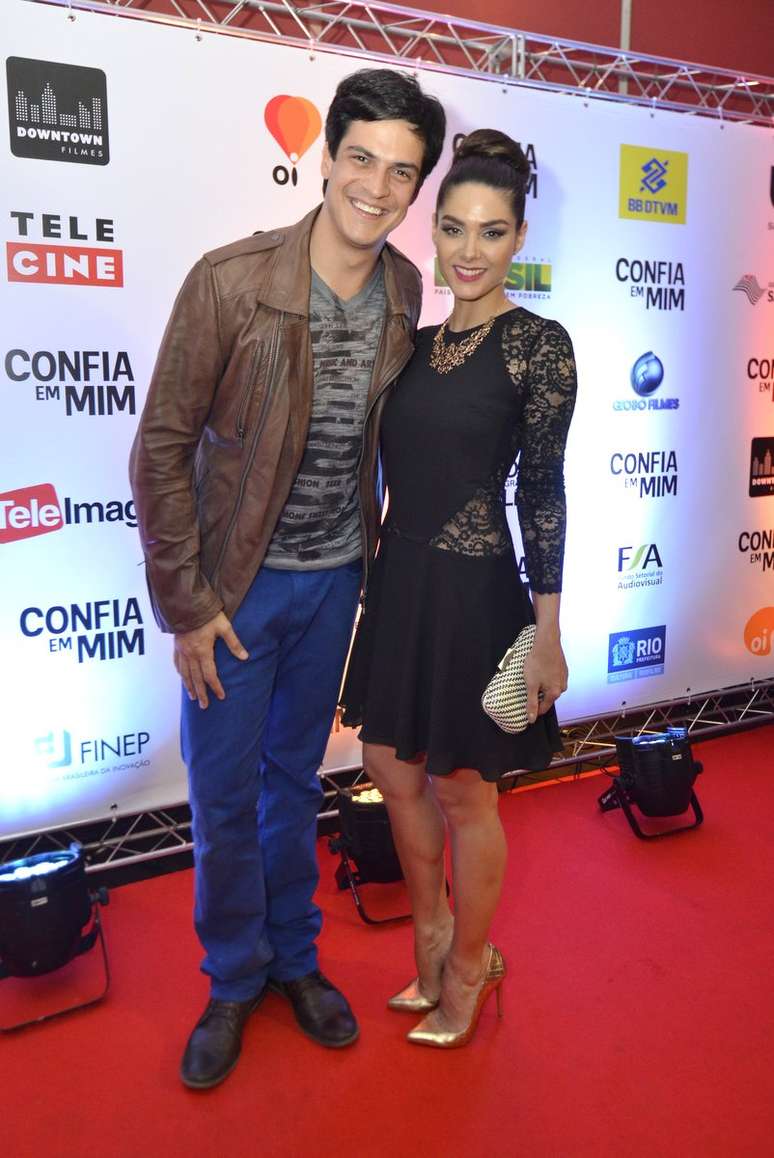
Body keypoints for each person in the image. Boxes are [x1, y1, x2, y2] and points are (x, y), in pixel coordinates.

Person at [129, 68, 445, 1089]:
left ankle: (294, 961)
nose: (376, 187)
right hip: (236, 594)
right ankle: (233, 978)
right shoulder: (232, 281)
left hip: (335, 581)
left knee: (293, 784)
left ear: (416, 187)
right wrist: (189, 604)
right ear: (327, 158)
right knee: (223, 795)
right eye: (361, 158)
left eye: (401, 172)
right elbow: (161, 445)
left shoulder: (405, 290)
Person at [340, 129, 577, 1047]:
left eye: (491, 231)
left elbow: (543, 491)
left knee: (465, 790)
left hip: (476, 595)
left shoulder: (539, 346)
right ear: (430, 230)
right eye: (452, 228)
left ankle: (471, 964)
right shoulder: (412, 342)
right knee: (389, 768)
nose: (468, 251)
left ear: (519, 237)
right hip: (401, 586)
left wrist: (548, 630)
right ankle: (433, 934)